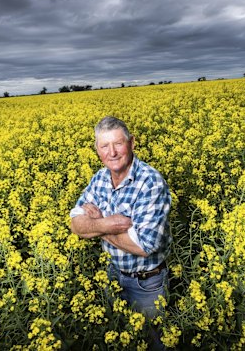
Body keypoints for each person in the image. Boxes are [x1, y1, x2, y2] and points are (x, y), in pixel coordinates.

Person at [70, 116, 172, 348]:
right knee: (119, 333)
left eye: (118, 143)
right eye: (104, 146)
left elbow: (143, 246)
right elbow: (76, 223)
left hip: (146, 284)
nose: (112, 152)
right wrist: (109, 224)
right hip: (113, 275)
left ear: (132, 143)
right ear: (97, 150)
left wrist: (97, 225)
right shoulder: (99, 179)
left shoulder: (150, 182)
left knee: (153, 342)